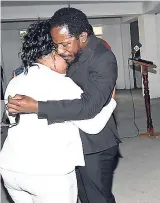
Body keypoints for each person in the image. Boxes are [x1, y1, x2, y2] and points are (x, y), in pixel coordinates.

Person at [7, 7, 121, 203]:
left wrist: (37, 106)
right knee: (82, 197)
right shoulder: (68, 53)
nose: (60, 51)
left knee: (97, 198)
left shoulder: (103, 58)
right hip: (70, 145)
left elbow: (88, 109)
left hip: (95, 144)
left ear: (83, 37)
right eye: (56, 46)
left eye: (65, 44)